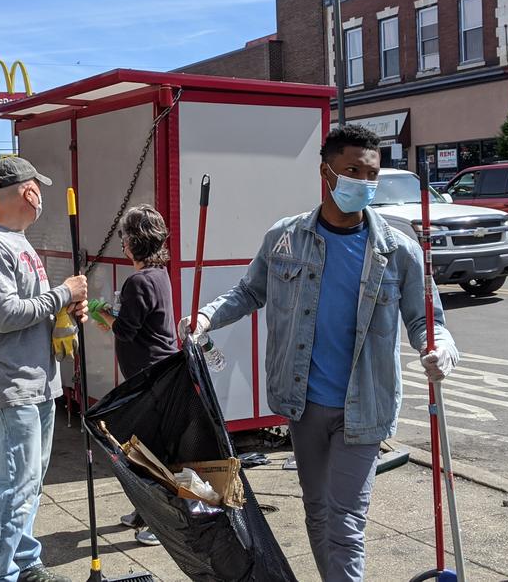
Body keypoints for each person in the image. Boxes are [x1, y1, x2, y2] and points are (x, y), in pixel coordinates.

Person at [181, 125, 458, 581]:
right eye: (353, 171)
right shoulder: (285, 238)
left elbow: (427, 320)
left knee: (345, 523)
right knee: (317, 512)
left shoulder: (399, 251)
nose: (364, 183)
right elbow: (249, 292)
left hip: (364, 408)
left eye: (372, 174)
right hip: (303, 403)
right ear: (325, 172)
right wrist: (206, 317)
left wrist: (439, 347)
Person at [0, 157, 88, 582]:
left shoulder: (19, 242)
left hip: (38, 381)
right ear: (29, 192)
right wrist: (62, 294)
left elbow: (33, 309)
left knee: (29, 483)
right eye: (39, 189)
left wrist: (65, 314)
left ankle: (23, 558)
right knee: (14, 484)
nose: (41, 198)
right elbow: (5, 315)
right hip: (9, 382)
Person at [95, 204, 177, 547]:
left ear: (134, 241)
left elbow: (126, 330)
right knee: (142, 446)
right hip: (158, 375)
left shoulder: (139, 281)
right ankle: (146, 510)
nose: (122, 243)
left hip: (151, 378)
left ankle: (163, 522)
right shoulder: (158, 275)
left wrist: (102, 314)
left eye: (124, 236)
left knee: (151, 451)